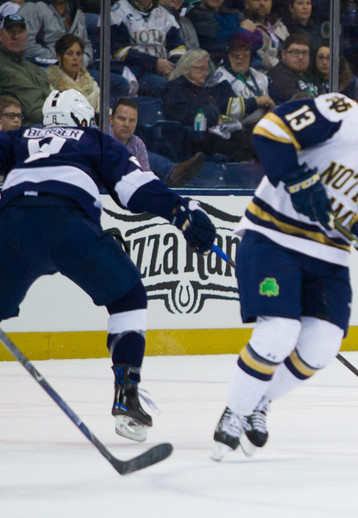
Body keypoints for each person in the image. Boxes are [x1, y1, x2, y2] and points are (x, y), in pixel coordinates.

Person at [210, 58, 358, 460]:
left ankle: (259, 400)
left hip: (328, 254)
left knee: (322, 345)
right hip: (273, 237)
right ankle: (235, 412)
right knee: (278, 332)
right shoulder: (342, 114)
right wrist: (297, 179)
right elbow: (271, 129)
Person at [0, 90, 215, 442]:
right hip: (67, 225)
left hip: (10, 228)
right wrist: (180, 212)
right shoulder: (93, 139)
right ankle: (126, 397)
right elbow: (135, 188)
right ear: (84, 119)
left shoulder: (18, 138)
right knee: (128, 296)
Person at [108, 98, 206, 187]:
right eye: (122, 119)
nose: (126, 124)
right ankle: (171, 172)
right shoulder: (102, 139)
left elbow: (145, 175)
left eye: (132, 120)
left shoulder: (137, 143)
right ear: (111, 119)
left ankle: (174, 175)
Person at [111, 0, 187, 97]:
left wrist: (171, 68)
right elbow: (120, 52)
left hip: (164, 70)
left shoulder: (165, 15)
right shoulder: (118, 11)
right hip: (135, 71)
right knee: (161, 86)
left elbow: (178, 48)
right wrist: (155, 63)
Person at [209, 32, 275, 125]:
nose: (240, 57)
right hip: (238, 130)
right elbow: (227, 108)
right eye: (235, 52)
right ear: (227, 55)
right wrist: (257, 102)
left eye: (245, 51)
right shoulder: (220, 78)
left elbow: (277, 102)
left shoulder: (262, 77)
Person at [0, 14, 52, 127]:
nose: (16, 36)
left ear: (26, 36)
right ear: (1, 35)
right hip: (23, 128)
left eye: (20, 32)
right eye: (11, 32)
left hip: (50, 122)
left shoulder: (36, 69)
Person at [45, 34, 99, 114]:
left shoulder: (92, 85)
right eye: (70, 53)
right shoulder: (48, 84)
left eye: (79, 54)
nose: (75, 58)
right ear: (59, 57)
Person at [267, 33, 318, 103]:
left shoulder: (310, 75)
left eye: (304, 53)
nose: (300, 57)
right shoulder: (279, 76)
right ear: (283, 54)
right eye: (295, 52)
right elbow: (297, 103)